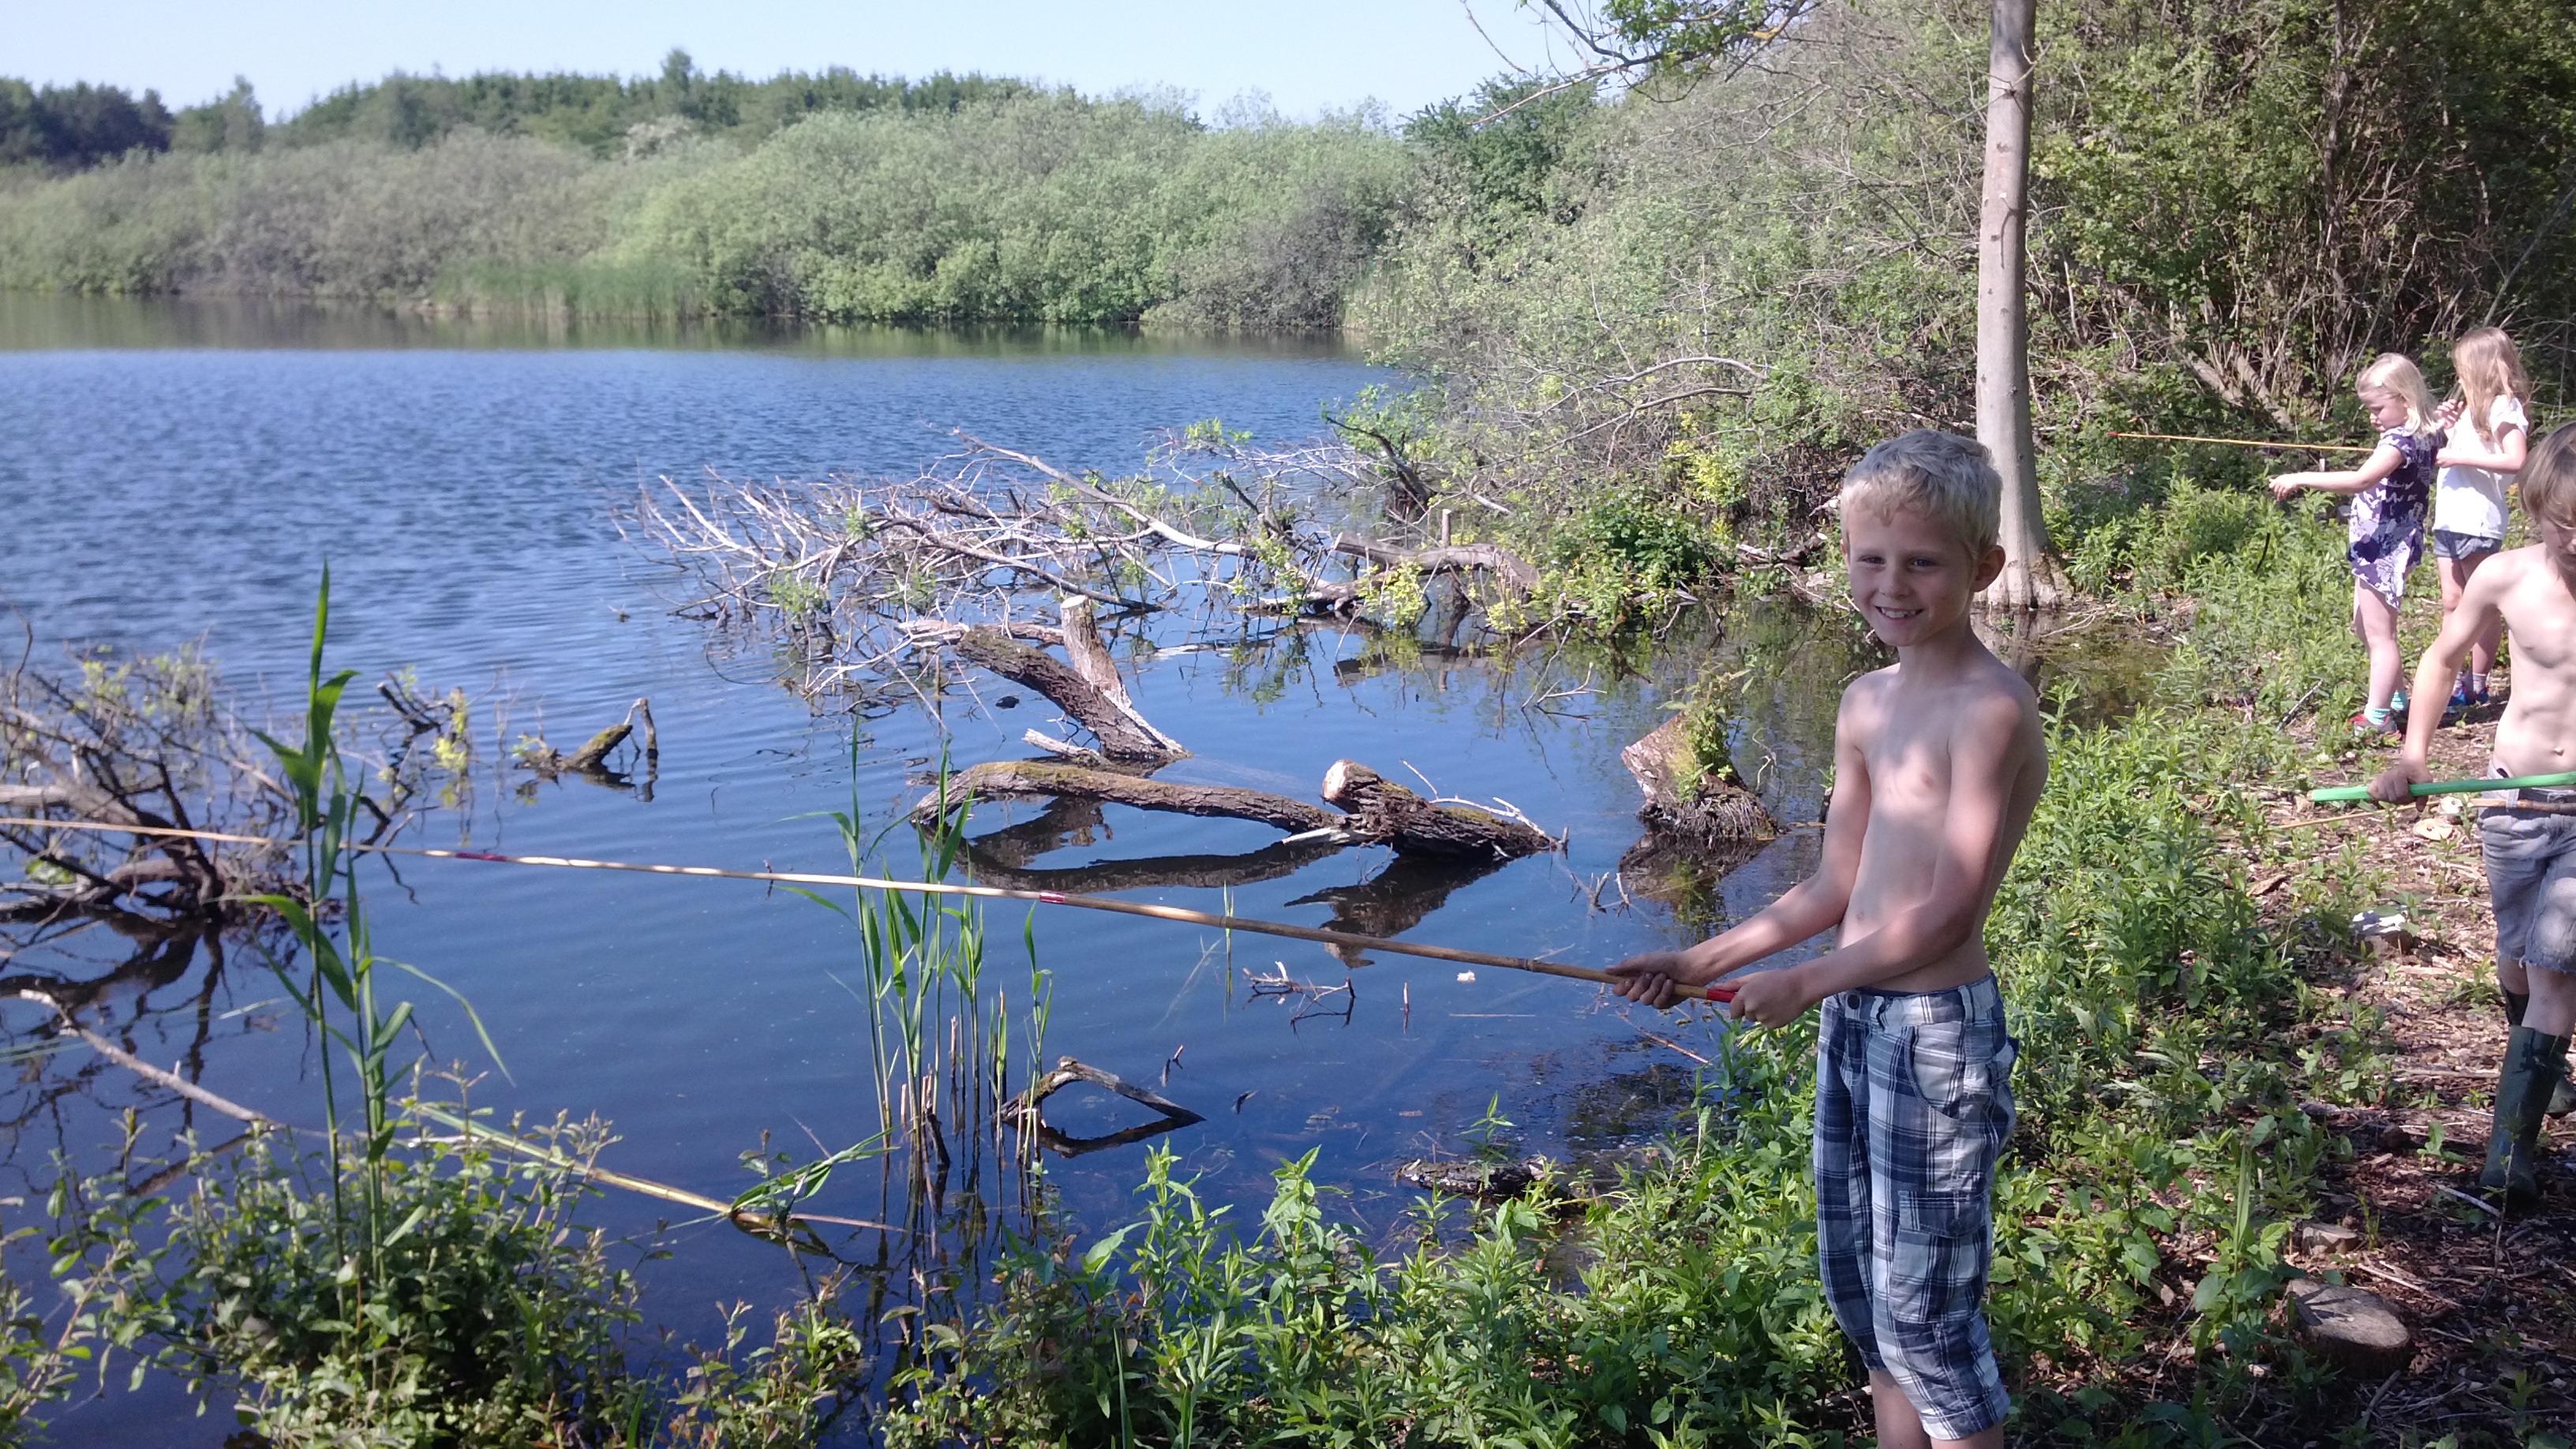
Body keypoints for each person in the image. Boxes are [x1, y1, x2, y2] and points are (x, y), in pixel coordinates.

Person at [1608, 429, 2046, 1449]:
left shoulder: (1990, 710)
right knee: (1865, 1298)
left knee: (1931, 1318)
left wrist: (1803, 983)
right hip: (1857, 1018)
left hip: (1935, 1034)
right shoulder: (1863, 703)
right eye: (1870, 560)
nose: (1891, 585)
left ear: (1983, 567)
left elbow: (1947, 914)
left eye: (1922, 562)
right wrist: (1697, 962)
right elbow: (1832, 884)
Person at [2372, 423, 2576, 1208]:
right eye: (2566, 522)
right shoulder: (2506, 578)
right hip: (2511, 798)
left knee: (2559, 965)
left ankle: (2508, 1154)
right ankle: (2546, 1067)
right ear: (2537, 510)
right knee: (2518, 959)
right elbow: (2441, 658)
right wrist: (2415, 756)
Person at [2269, 354, 2445, 733]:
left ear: (2405, 398)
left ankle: (2377, 718)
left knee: (2381, 636)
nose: (2372, 417)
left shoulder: (2400, 441)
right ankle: (2397, 700)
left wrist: (2300, 477)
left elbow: (2361, 480)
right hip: (2381, 545)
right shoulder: (2425, 433)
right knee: (2365, 627)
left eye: (2377, 408)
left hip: (2386, 548)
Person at [2428, 327, 2533, 713]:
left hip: (2479, 520)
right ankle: (2452, 682)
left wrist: (2458, 457)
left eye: (2462, 367)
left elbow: (2515, 460)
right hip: (2450, 518)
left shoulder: (2506, 407)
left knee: (2483, 604)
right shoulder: (2474, 411)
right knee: (2452, 601)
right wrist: (2451, 432)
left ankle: (2478, 684)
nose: (2458, 375)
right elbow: (2472, 449)